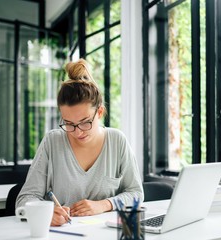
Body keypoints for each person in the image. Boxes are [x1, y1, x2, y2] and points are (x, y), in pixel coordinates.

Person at [16, 59, 143, 226]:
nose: (77, 132)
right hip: (62, 237)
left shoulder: (117, 141)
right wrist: (45, 213)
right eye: (69, 123)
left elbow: (136, 194)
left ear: (99, 112)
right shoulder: (52, 142)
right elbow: (24, 199)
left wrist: (104, 204)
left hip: (107, 238)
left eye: (85, 122)